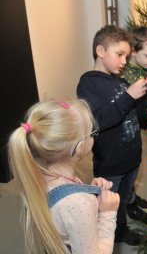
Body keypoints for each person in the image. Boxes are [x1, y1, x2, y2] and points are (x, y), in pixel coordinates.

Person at [8, 98, 119, 254]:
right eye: (92, 133)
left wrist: (88, 190)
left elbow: (66, 207)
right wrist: (108, 213)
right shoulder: (79, 203)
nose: (93, 137)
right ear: (80, 147)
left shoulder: (38, 176)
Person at [76, 25, 147, 246]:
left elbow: (140, 117)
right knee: (111, 203)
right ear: (100, 51)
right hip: (110, 165)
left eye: (127, 56)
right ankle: (117, 233)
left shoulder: (120, 82)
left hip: (131, 159)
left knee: (125, 197)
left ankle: (123, 224)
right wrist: (129, 96)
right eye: (119, 54)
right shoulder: (88, 83)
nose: (124, 61)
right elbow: (99, 120)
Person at [122, 26, 147, 224]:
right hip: (127, 133)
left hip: (137, 131)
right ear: (134, 52)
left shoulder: (144, 70)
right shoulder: (126, 76)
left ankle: (133, 198)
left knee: (136, 166)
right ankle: (129, 206)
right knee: (128, 170)